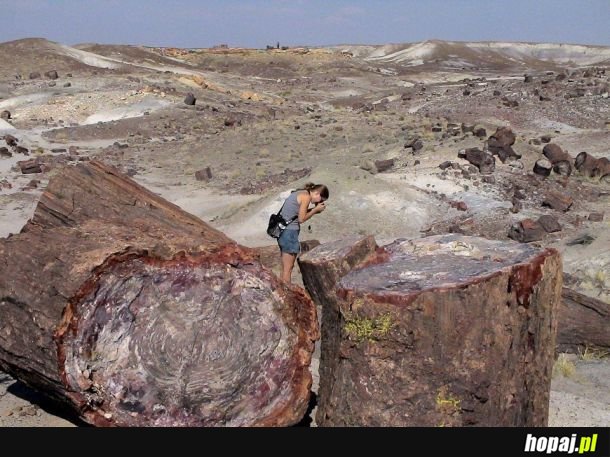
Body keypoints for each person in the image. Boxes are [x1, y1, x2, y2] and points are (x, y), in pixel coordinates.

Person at [277, 182, 329, 283]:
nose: (318, 202)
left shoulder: (301, 193)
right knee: (288, 268)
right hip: (289, 233)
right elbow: (301, 219)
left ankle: (281, 288)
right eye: (321, 200)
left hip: (285, 232)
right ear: (317, 193)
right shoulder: (306, 197)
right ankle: (286, 293)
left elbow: (299, 212)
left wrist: (314, 209)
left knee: (284, 267)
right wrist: (315, 210)